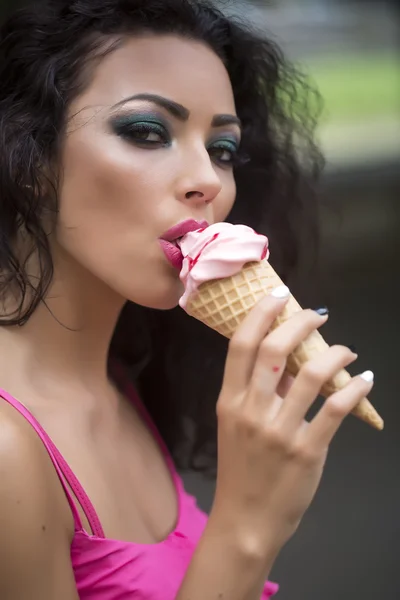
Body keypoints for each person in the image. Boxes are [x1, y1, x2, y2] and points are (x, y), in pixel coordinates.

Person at [0, 1, 374, 598]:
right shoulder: (8, 451)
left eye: (223, 149)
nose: (209, 180)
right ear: (28, 156)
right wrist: (246, 530)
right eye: (147, 132)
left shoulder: (119, 378)